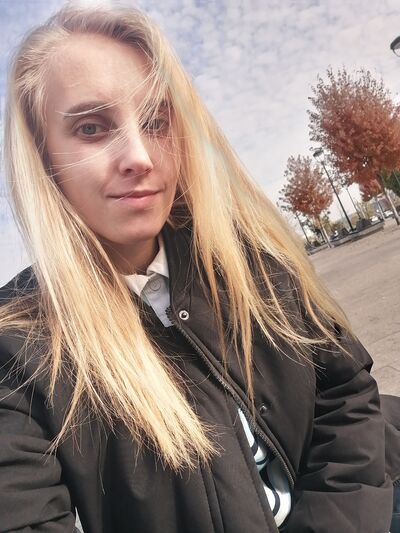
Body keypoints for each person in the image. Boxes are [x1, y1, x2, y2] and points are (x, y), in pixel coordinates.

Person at [0, 6, 397, 532]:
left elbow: (345, 394)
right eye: (92, 127)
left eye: (156, 121)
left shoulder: (244, 255)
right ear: (43, 156)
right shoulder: (18, 347)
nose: (139, 156)